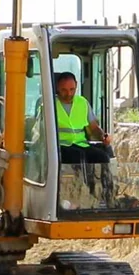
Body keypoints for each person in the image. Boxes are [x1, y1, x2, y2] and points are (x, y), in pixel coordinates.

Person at [54, 71, 115, 202]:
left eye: (72, 89)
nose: (68, 94)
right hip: (60, 147)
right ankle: (75, 196)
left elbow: (93, 128)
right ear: (57, 88)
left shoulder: (82, 103)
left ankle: (107, 196)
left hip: (81, 144)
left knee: (102, 157)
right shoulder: (49, 105)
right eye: (64, 90)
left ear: (76, 86)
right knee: (76, 157)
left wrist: (103, 136)